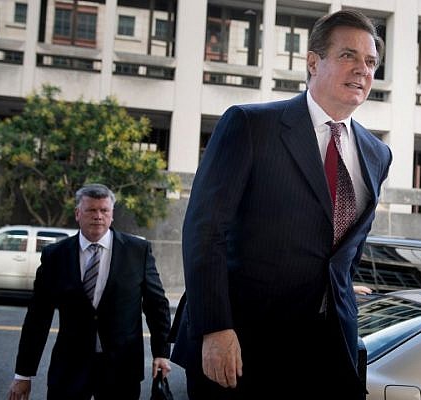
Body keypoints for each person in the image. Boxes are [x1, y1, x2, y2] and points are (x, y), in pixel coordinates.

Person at [170, 9, 392, 400]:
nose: (362, 69)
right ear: (312, 62)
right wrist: (215, 328)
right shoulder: (250, 126)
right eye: (347, 56)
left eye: (370, 62)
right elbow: (205, 231)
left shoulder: (378, 154)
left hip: (326, 350)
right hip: (240, 346)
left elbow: (346, 250)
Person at [7, 183, 172, 400]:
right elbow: (38, 317)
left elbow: (156, 304)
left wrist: (161, 352)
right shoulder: (55, 256)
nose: (98, 216)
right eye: (91, 210)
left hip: (121, 369)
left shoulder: (137, 251)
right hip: (69, 369)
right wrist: (23, 374)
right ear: (78, 213)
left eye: (104, 210)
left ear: (112, 215)